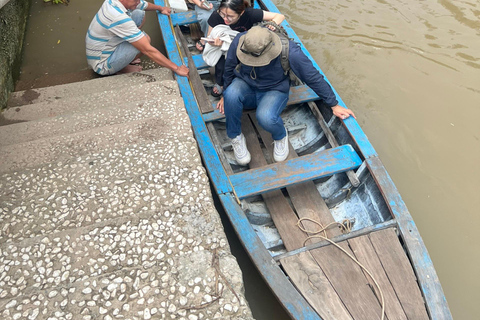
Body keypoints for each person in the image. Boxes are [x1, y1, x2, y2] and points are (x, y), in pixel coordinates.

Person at [218, 26, 356, 165]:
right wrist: (224, 95)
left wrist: (333, 104)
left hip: (274, 88)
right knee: (231, 94)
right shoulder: (239, 41)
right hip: (245, 82)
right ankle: (235, 136)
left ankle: (280, 136)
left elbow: (312, 77)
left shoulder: (290, 51)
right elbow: (229, 68)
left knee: (265, 117)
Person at [86, 0, 188, 77]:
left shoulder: (114, 2)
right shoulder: (117, 17)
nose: (138, 1)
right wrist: (177, 68)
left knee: (139, 13)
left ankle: (126, 56)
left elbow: (143, 4)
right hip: (101, 64)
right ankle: (121, 68)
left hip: (107, 47)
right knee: (145, 40)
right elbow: (148, 50)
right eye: (136, 0)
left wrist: (161, 8)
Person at [204, 0, 284, 96]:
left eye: (230, 16)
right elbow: (209, 38)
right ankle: (221, 83)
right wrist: (215, 43)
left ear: (241, 13)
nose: (225, 19)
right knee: (223, 62)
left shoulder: (250, 14)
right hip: (225, 47)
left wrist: (272, 24)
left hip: (248, 45)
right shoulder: (216, 16)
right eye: (223, 14)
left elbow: (280, 16)